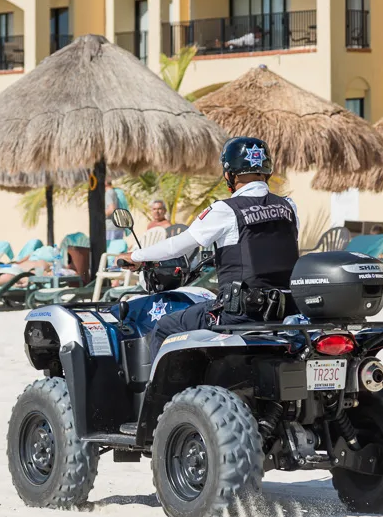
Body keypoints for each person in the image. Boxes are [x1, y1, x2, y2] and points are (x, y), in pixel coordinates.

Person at [122, 137, 300, 358]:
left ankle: (160, 393)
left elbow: (177, 246)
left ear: (229, 174)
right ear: (267, 169)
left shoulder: (225, 210)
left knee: (166, 326)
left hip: (240, 312)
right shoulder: (288, 207)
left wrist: (136, 256)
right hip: (286, 310)